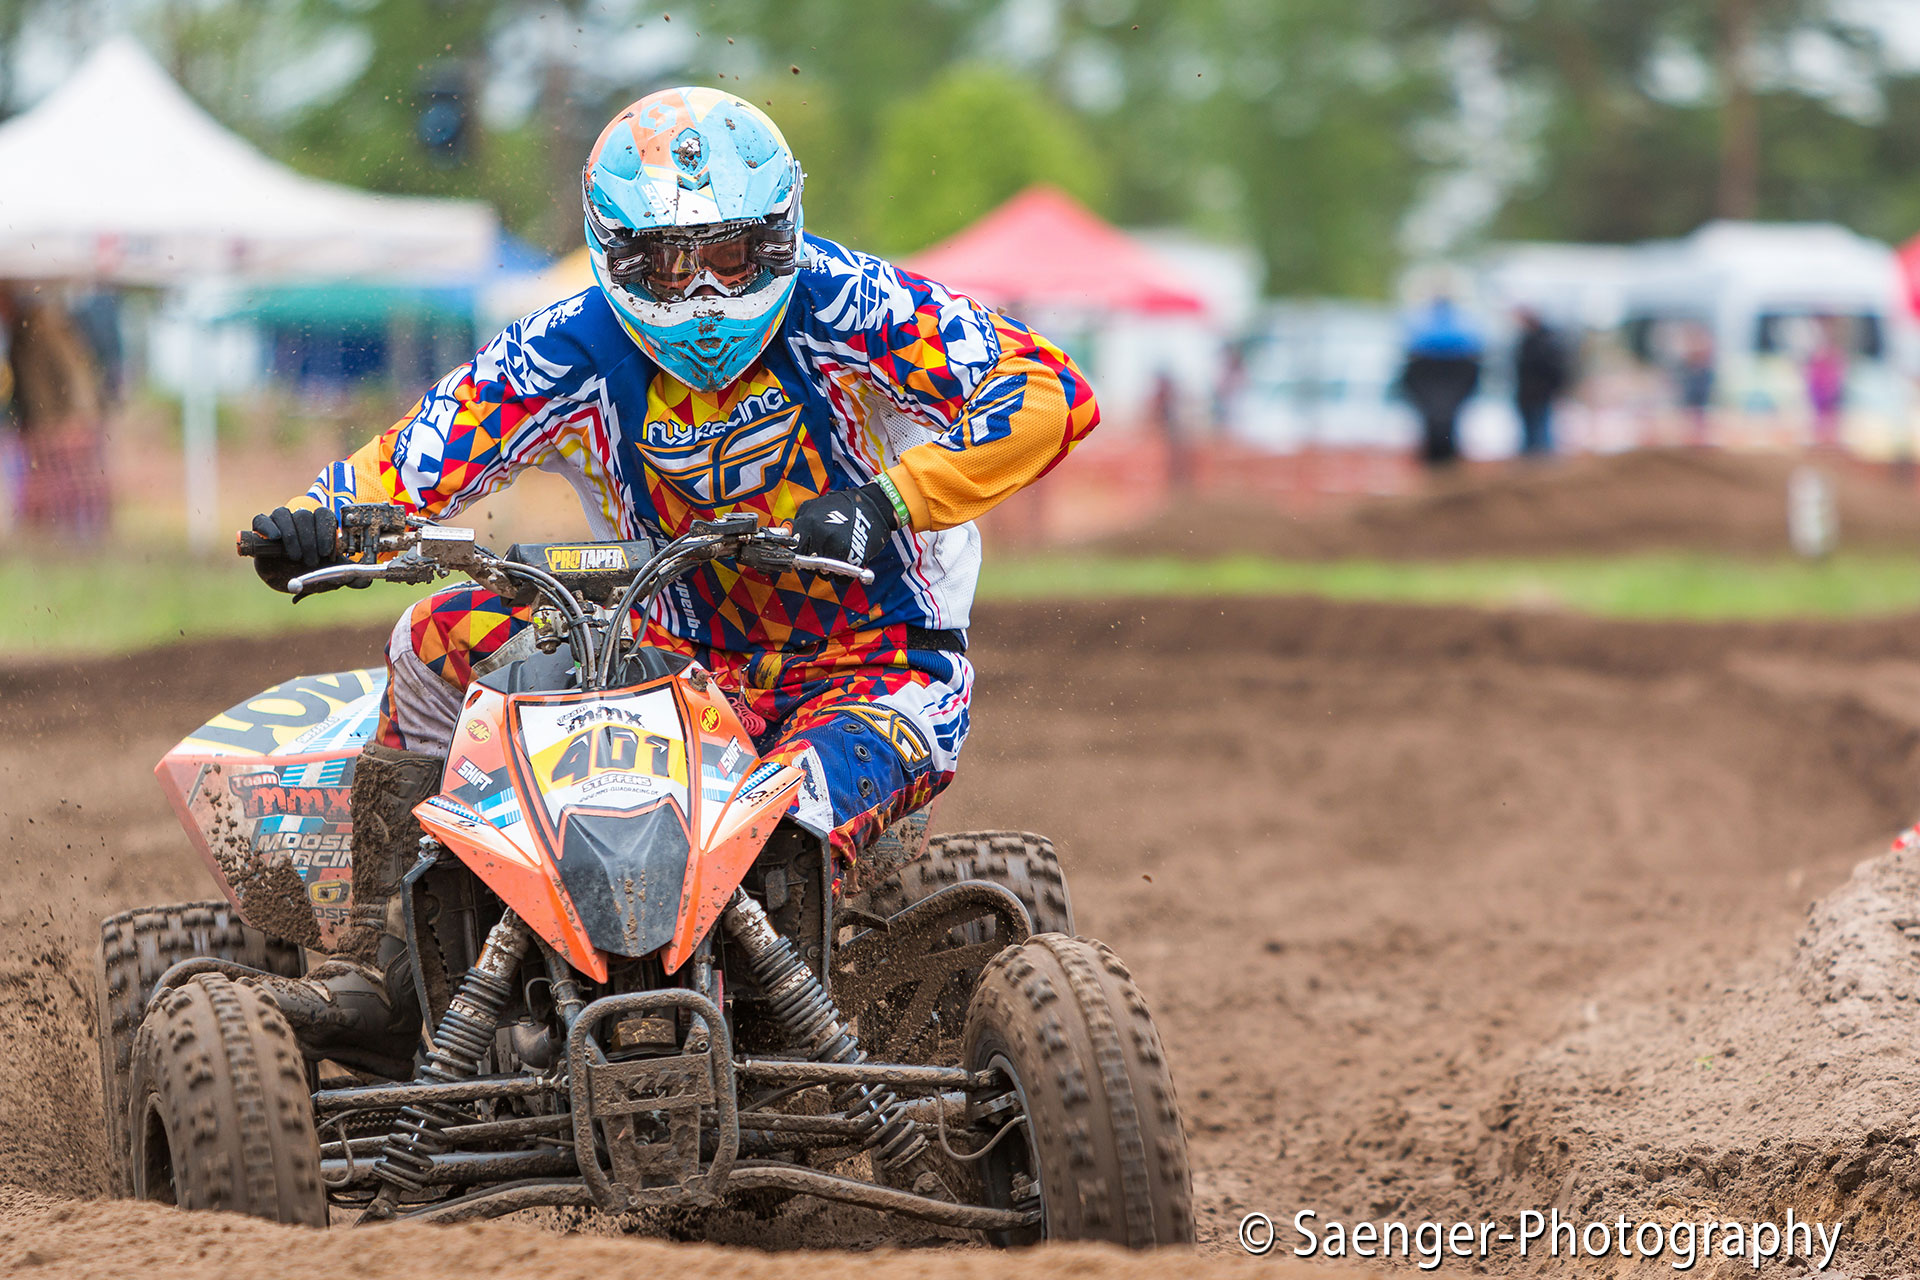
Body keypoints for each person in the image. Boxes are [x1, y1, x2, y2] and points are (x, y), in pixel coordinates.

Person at [240, 88, 1099, 1054]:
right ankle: (389, 956)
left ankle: (776, 1025)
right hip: (666, 660)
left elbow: (1048, 391)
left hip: (878, 663)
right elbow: (424, 451)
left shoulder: (853, 302)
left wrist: (893, 500)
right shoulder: (568, 345)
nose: (704, 296)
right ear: (613, 253)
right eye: (667, 263)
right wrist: (325, 518)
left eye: (732, 255)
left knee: (771, 840)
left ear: (780, 235)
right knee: (435, 635)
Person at [1397, 297, 1482, 467]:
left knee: (1438, 420)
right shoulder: (1464, 325)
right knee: (1444, 420)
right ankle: (1443, 462)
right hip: (1453, 370)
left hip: (1430, 370)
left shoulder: (1421, 325)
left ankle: (1440, 462)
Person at [1511, 308, 1568, 457]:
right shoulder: (1532, 340)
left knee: (1539, 433)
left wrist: (1553, 389)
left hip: (1539, 394)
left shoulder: (1543, 342)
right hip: (1529, 394)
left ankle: (1540, 463)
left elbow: (1553, 370)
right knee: (1533, 433)